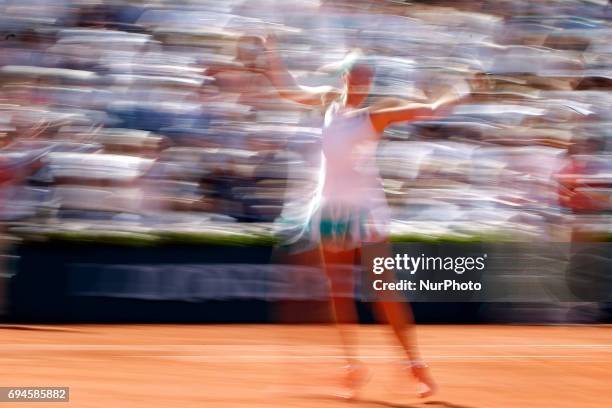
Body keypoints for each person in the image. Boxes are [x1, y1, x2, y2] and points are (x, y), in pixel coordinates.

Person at [262, 35, 476, 398]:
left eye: (367, 77)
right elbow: (288, 90)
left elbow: (430, 109)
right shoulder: (328, 102)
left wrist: (462, 89)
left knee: (383, 291)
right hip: (328, 210)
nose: (362, 82)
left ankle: (415, 367)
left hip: (366, 212)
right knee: (337, 293)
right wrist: (272, 53)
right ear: (344, 78)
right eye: (356, 75)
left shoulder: (374, 116)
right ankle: (352, 367)